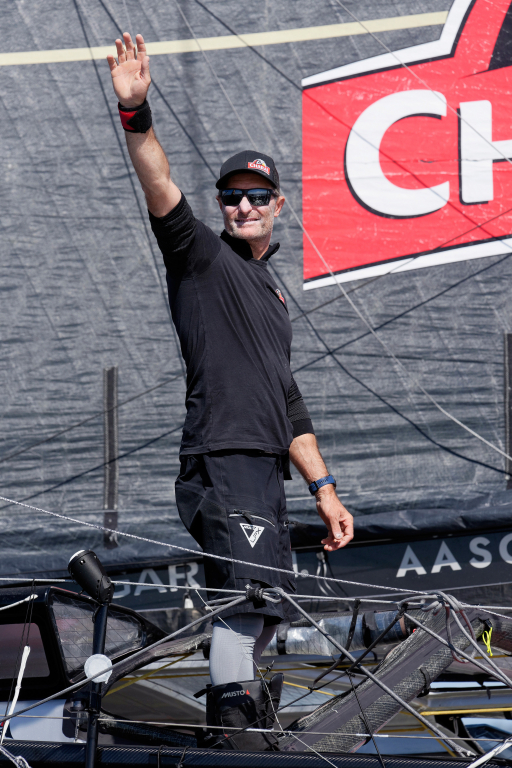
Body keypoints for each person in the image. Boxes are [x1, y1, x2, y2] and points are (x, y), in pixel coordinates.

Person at [107, 32, 354, 750]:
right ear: (221, 204)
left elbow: (290, 404)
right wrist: (136, 113)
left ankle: (240, 717)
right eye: (232, 196)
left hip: (265, 470)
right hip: (223, 459)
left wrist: (325, 490)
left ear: (279, 204)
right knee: (244, 604)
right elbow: (160, 186)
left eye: (257, 196)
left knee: (267, 608)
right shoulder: (201, 257)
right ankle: (230, 731)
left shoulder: (272, 295)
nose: (244, 206)